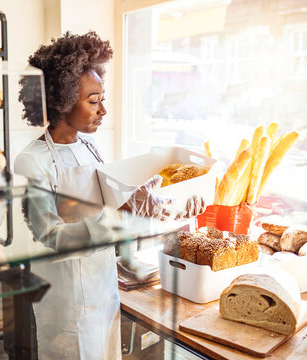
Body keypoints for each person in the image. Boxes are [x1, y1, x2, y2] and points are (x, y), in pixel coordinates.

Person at [15, 31, 205, 359]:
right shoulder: (33, 160)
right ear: (60, 100)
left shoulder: (90, 146)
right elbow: (48, 237)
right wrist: (121, 216)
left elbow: (109, 204)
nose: (102, 109)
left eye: (102, 99)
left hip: (104, 287)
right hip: (66, 301)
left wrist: (154, 206)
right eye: (93, 100)